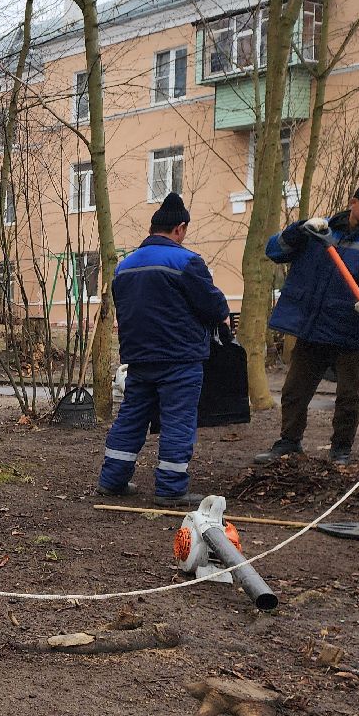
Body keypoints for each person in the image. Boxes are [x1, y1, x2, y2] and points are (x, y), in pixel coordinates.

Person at [97, 192, 231, 506]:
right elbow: (214, 306)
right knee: (178, 421)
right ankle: (170, 489)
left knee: (131, 418)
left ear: (152, 227)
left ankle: (112, 480)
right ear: (180, 228)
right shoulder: (186, 261)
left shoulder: (125, 266)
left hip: (139, 358)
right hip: (180, 358)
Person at [253, 189, 359, 467]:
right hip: (313, 328)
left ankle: (340, 450)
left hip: (351, 331)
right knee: (294, 391)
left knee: (351, 396)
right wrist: (299, 229)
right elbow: (274, 250)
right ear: (353, 203)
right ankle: (289, 442)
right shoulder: (317, 231)